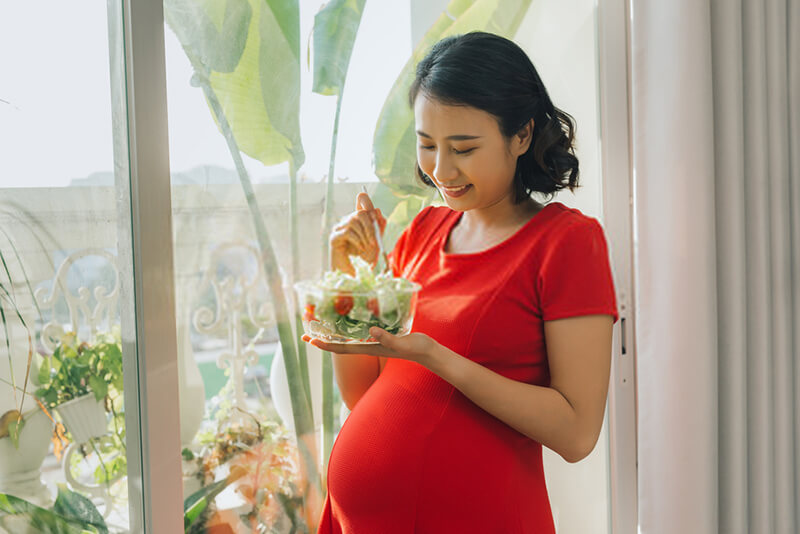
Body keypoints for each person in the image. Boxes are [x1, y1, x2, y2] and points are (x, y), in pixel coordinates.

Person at [303, 31, 619, 533]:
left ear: (521, 136)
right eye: (427, 144)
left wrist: (437, 358)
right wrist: (353, 281)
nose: (440, 169)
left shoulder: (567, 244)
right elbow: (367, 396)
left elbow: (577, 432)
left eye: (464, 148)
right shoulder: (424, 232)